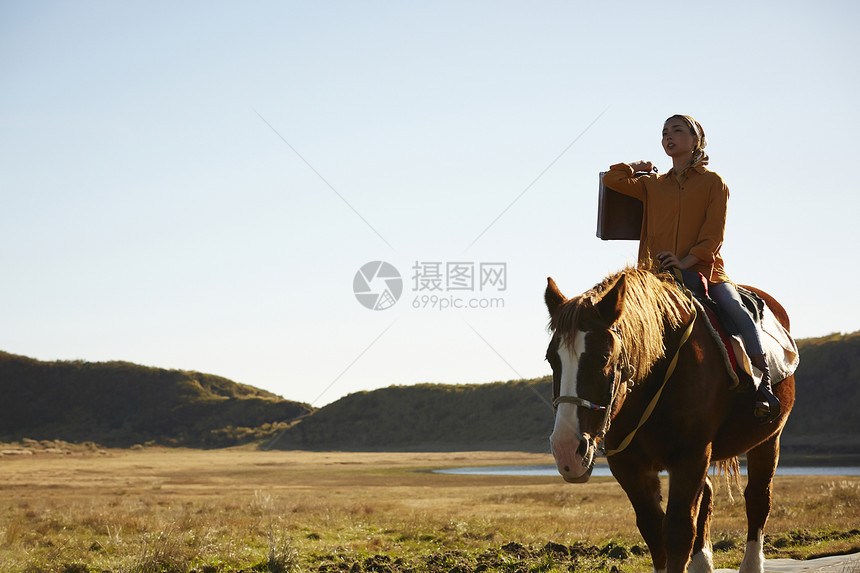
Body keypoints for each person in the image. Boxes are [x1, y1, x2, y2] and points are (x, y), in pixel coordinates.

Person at [601, 114, 780, 423]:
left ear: (696, 139)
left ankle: (763, 385)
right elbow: (611, 180)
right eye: (664, 132)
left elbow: (714, 236)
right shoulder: (652, 184)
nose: (669, 136)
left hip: (707, 273)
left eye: (677, 131)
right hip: (656, 278)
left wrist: (686, 261)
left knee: (735, 308)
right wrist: (635, 168)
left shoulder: (714, 183)